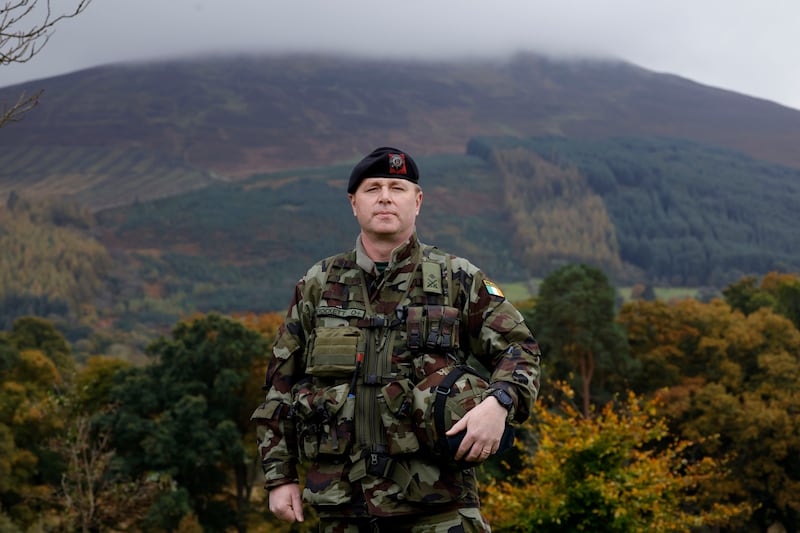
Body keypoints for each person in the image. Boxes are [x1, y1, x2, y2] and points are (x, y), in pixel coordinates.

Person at [253, 146, 541, 532]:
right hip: (343, 512)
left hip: (439, 510)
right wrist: (279, 476)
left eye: (397, 188)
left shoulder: (458, 279)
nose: (385, 197)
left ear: (417, 201)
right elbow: (280, 386)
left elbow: (519, 349)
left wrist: (500, 402)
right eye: (373, 188)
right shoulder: (319, 285)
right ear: (354, 203)